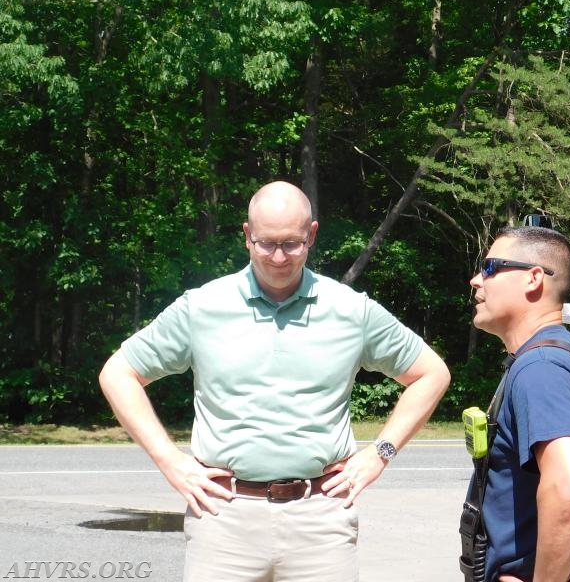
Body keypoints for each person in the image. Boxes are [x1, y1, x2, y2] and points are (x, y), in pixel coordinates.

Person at [99, 180, 450, 582]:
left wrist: (380, 453)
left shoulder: (352, 311)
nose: (279, 257)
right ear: (247, 237)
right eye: (267, 243)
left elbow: (431, 373)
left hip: (321, 521)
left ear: (312, 235)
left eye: (292, 243)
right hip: (223, 518)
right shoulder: (202, 307)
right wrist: (170, 461)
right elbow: (119, 372)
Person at [466, 225, 570, 582]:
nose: (476, 280)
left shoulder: (542, 368)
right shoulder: (553, 356)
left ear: (534, 279)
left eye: (489, 268)